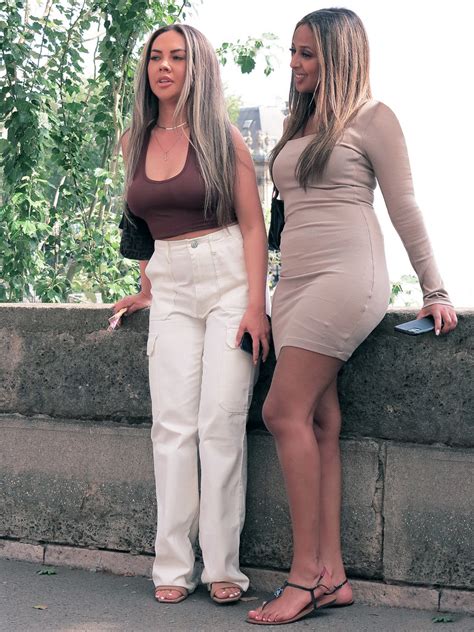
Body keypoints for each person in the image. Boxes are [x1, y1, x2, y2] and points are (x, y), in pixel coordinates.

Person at [247, 8, 457, 626]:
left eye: (307, 53)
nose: (294, 63)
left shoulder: (374, 118)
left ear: (341, 55)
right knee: (319, 420)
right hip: (298, 279)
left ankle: (303, 575)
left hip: (347, 275)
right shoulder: (301, 120)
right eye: (293, 51)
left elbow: (405, 205)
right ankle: (333, 575)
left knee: (280, 411)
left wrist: (437, 289)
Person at [113, 23, 270, 605]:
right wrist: (147, 286)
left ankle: (223, 566)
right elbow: (147, 230)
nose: (164, 66)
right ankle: (172, 567)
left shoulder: (221, 137)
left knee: (220, 423)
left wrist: (257, 305)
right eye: (156, 56)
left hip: (230, 278)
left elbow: (253, 226)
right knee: (172, 427)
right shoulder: (134, 138)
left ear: (196, 68)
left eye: (177, 57)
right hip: (173, 285)